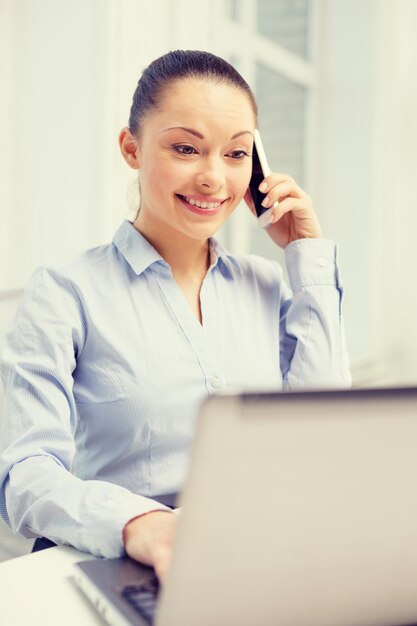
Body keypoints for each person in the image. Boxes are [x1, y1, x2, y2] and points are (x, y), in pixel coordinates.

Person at [0, 50, 350, 582]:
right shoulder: (66, 291)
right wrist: (136, 522)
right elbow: (23, 474)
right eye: (186, 148)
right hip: (128, 562)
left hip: (258, 557)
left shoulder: (265, 284)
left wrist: (308, 257)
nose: (213, 177)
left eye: (235, 154)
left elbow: (319, 435)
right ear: (131, 148)